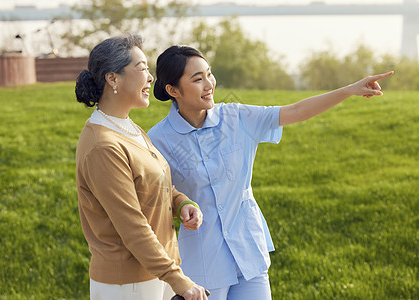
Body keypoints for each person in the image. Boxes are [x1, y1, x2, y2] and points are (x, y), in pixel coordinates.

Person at [147, 45, 393, 300]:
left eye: (209, 74)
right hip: (202, 263)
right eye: (198, 79)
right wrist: (181, 209)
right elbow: (159, 197)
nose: (209, 84)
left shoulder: (236, 117)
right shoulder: (157, 140)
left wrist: (350, 89)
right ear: (173, 90)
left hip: (248, 254)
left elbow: (295, 111)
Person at [74, 35, 208, 300]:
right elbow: (131, 225)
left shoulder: (128, 128)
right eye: (142, 68)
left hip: (156, 274)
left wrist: (181, 204)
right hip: (128, 285)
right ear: (113, 79)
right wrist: (178, 280)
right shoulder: (103, 146)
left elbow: (152, 184)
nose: (150, 78)